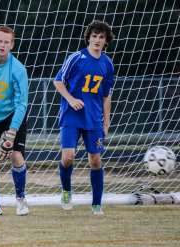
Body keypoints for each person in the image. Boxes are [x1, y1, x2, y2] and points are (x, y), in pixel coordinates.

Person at [53, 20, 114, 215]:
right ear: (88, 38)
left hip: (94, 119)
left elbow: (106, 95)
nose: (97, 40)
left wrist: (106, 121)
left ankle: (96, 204)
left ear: (106, 41)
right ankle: (66, 191)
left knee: (95, 160)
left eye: (101, 37)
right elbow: (57, 81)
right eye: (94, 36)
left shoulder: (107, 63)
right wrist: (71, 100)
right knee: (68, 156)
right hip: (72, 116)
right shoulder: (76, 58)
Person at [0, 26, 29, 216]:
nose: (2, 45)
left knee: (15, 156)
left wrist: (12, 130)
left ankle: (21, 199)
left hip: (11, 114)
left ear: (12, 45)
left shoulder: (18, 69)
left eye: (6, 42)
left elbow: (22, 103)